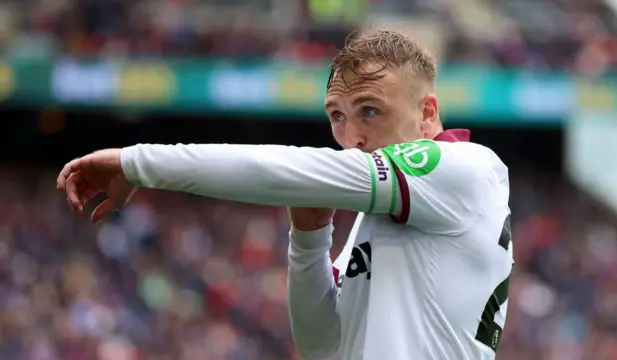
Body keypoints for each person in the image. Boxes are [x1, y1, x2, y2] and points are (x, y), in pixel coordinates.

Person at [57, 31, 513, 360]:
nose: (349, 137)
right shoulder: (385, 214)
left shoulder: (465, 168)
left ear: (427, 113)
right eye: (336, 115)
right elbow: (322, 345)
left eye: (369, 111)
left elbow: (290, 166)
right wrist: (310, 239)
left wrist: (136, 163)